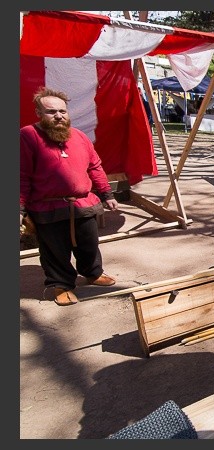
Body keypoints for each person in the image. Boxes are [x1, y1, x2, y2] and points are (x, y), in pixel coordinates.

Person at [20, 87, 119, 306]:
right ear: (39, 113)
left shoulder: (80, 136)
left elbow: (95, 167)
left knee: (89, 243)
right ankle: (60, 284)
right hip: (47, 207)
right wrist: (20, 208)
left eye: (62, 111)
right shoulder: (28, 135)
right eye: (51, 112)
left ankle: (92, 272)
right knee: (55, 250)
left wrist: (106, 193)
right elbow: (21, 174)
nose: (58, 116)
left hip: (82, 203)